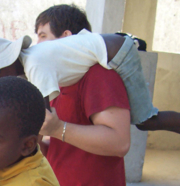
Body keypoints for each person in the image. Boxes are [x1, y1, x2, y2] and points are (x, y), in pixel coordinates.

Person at [0, 17, 180, 134]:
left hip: (119, 53)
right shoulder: (31, 63)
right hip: (109, 48)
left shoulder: (35, 64)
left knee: (146, 121)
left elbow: (43, 117)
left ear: (8, 59)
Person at [35, 3, 180, 134]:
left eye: (43, 36)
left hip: (124, 54)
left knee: (146, 120)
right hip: (121, 51)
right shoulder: (76, 55)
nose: (38, 43)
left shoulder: (83, 58)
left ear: (66, 35)